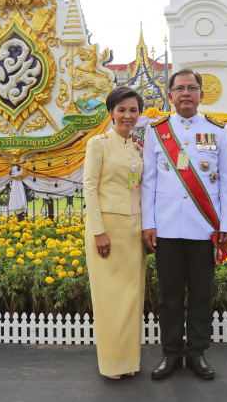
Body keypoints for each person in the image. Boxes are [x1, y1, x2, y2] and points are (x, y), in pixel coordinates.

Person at [141, 68, 227, 380]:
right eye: (180, 88)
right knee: (168, 297)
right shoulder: (156, 131)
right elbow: (148, 183)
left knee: (201, 294)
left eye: (192, 88)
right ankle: (171, 355)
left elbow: (226, 181)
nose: (186, 93)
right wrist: (148, 223)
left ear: (201, 94)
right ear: (169, 95)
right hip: (167, 228)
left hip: (204, 227)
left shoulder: (217, 129)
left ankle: (197, 353)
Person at [83, 87, 146, 379]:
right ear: (111, 113)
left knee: (132, 297)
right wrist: (98, 232)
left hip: (134, 230)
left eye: (133, 110)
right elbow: (89, 188)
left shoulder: (136, 147)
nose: (127, 115)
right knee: (109, 298)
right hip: (107, 229)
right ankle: (111, 364)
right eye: (121, 110)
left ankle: (128, 361)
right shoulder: (99, 144)